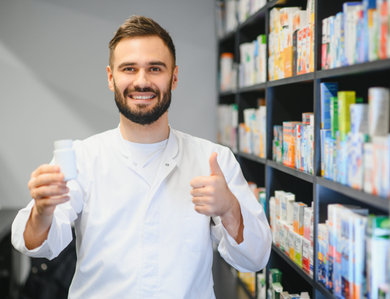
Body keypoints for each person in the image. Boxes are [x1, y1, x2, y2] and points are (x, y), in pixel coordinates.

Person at [11, 15, 271, 298]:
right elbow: (35, 243)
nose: (142, 81)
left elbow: (255, 259)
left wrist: (229, 209)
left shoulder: (213, 159)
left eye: (155, 68)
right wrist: (43, 210)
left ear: (174, 77)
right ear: (111, 78)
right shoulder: (82, 157)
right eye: (129, 69)